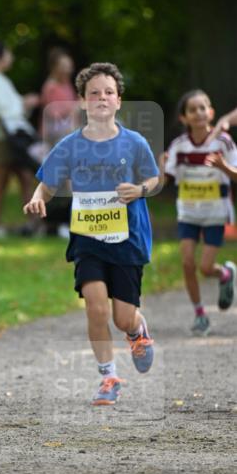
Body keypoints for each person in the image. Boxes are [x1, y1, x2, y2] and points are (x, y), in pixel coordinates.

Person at [23, 62, 160, 406]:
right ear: (82, 102)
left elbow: (154, 178)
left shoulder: (134, 142)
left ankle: (137, 330)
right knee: (96, 308)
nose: (101, 98)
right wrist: (37, 199)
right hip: (88, 239)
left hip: (127, 239)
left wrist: (140, 190)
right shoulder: (70, 145)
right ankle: (109, 376)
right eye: (94, 93)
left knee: (121, 316)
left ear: (118, 101)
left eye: (108, 93)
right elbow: (48, 182)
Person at [161, 89, 236, 335]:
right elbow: (164, 182)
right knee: (187, 262)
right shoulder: (178, 146)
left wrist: (223, 166)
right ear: (184, 118)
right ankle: (200, 314)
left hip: (215, 212)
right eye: (192, 110)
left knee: (205, 267)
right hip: (188, 214)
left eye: (203, 108)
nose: (199, 113)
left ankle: (224, 272)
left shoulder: (223, 142)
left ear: (211, 112)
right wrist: (161, 167)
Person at [0, 43, 40, 238]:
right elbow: (0, 108)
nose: (11, 58)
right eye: (8, 54)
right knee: (3, 180)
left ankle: (33, 223)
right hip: (1, 138)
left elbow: (9, 105)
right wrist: (24, 104)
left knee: (25, 178)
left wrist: (22, 103)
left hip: (12, 137)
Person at [38, 47, 79, 238]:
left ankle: (69, 222)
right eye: (64, 66)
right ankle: (62, 223)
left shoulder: (67, 85)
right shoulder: (51, 87)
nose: (68, 70)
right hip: (56, 140)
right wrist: (75, 109)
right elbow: (56, 117)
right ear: (54, 67)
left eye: (69, 66)